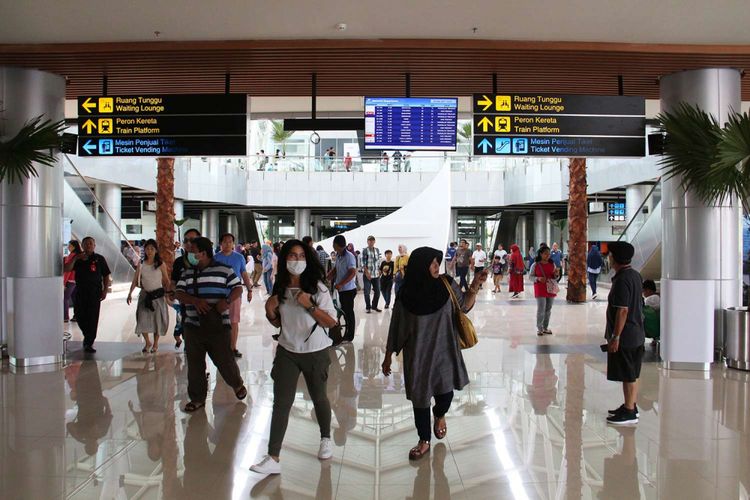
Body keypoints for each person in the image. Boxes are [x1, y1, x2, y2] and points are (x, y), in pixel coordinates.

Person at [382, 247, 487, 460]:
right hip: (417, 357)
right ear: (420, 266)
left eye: (437, 262)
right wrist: (387, 355)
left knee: (445, 395)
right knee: (420, 401)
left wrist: (475, 284)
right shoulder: (405, 294)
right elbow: (396, 326)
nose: (436, 266)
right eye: (432, 263)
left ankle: (439, 414)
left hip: (445, 352)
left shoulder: (446, 285)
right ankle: (424, 440)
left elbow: (464, 306)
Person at [250, 240, 338, 475]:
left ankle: (326, 438)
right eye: (292, 256)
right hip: (287, 351)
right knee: (281, 403)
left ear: (307, 259)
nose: (296, 260)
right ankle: (273, 456)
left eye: (300, 256)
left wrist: (309, 306)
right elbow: (279, 321)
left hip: (315, 352)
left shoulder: (317, 287)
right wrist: (269, 310)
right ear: (284, 259)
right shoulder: (280, 287)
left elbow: (331, 322)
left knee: (319, 397)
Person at [174, 237, 247, 413]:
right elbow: (179, 293)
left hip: (218, 326)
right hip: (193, 326)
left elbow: (238, 288)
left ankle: (236, 383)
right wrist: (195, 301)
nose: (189, 253)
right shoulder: (188, 273)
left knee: (224, 360)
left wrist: (227, 301)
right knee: (195, 364)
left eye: (193, 250)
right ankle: (197, 398)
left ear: (203, 253)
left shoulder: (224, 270)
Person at [605, 241, 645, 425]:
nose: (608, 257)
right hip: (636, 332)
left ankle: (629, 412)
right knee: (630, 372)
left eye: (610, 254)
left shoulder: (622, 280)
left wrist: (616, 337)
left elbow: (622, 310)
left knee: (629, 373)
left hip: (626, 336)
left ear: (615, 257)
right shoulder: (635, 275)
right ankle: (630, 405)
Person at [64, 237, 111, 353]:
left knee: (92, 318)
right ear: (82, 246)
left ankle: (89, 342)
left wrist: (105, 290)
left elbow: (106, 275)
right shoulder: (78, 258)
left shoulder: (99, 259)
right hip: (80, 291)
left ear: (94, 245)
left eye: (91, 243)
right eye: (86, 244)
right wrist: (75, 258)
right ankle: (87, 335)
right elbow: (67, 269)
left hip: (95, 293)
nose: (89, 245)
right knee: (79, 315)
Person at [214, 233, 254, 358]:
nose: (228, 244)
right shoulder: (215, 258)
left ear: (233, 244)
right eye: (225, 242)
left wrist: (249, 289)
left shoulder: (239, 257)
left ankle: (232, 347)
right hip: (218, 294)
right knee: (219, 322)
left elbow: (244, 274)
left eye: (230, 241)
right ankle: (221, 348)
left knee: (234, 321)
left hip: (235, 294)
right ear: (221, 243)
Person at [127, 239, 170, 353]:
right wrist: (130, 293)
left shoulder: (160, 264)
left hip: (157, 296)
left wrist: (169, 293)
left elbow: (166, 280)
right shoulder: (141, 264)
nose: (149, 251)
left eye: (152, 249)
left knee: (157, 321)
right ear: (144, 250)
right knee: (141, 318)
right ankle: (147, 342)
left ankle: (155, 343)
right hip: (145, 295)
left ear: (156, 251)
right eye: (147, 249)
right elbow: (135, 280)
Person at [170, 228, 201, 349]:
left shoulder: (205, 259)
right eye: (186, 240)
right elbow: (173, 282)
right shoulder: (179, 262)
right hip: (185, 304)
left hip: (203, 304)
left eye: (192, 240)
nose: (188, 243)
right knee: (187, 331)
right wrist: (173, 293)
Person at [328, 235, 357, 342]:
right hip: (341, 290)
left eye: (333, 244)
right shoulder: (339, 255)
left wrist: (341, 284)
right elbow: (335, 269)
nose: (332, 246)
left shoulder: (349, 256)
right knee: (343, 312)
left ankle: (350, 336)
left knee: (348, 313)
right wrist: (326, 278)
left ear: (337, 245)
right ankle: (345, 333)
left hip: (348, 290)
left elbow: (352, 272)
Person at [532, 245, 559, 336]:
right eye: (545, 254)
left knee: (548, 309)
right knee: (541, 309)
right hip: (540, 289)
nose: (548, 256)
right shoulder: (535, 265)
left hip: (550, 289)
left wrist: (556, 274)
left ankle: (545, 327)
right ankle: (539, 328)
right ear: (540, 254)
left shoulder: (552, 264)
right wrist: (538, 279)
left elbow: (555, 277)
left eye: (549, 254)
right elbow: (530, 277)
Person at [361, 235, 383, 313]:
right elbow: (363, 263)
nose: (371, 242)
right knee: (367, 292)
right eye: (369, 240)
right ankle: (368, 307)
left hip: (376, 275)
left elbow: (378, 261)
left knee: (377, 292)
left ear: (374, 241)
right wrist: (367, 273)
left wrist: (380, 270)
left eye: (372, 240)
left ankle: (374, 306)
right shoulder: (365, 250)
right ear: (367, 241)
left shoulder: (377, 250)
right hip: (368, 275)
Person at [63, 239, 82, 323]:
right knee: (75, 299)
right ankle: (77, 316)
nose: (68, 247)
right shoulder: (80, 256)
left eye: (69, 246)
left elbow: (68, 270)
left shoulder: (71, 256)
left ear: (74, 247)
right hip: (77, 281)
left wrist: (64, 282)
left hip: (70, 281)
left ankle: (65, 317)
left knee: (65, 298)